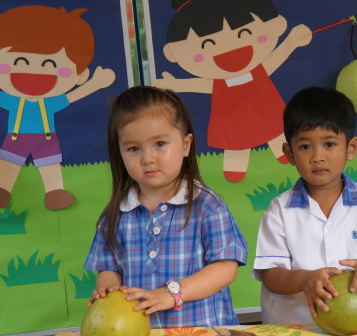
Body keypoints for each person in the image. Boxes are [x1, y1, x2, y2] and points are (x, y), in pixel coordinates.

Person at [84, 86, 247, 328]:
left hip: (204, 330)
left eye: (160, 143)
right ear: (119, 152)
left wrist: (171, 293)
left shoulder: (207, 205)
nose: (147, 158)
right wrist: (109, 290)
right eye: (133, 148)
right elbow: (108, 269)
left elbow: (225, 268)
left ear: (185, 145)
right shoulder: (115, 216)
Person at [252, 86, 357, 324]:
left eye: (329, 144)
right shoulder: (278, 210)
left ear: (351, 148)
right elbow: (270, 274)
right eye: (304, 146)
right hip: (297, 326)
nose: (317, 157)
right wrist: (304, 280)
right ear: (289, 153)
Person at [154, 0, 312, 182]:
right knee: (236, 140)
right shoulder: (219, 81)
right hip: (232, 116)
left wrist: (291, 42)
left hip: (264, 106)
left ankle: (282, 151)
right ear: (174, 53)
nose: (229, 52)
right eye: (207, 45)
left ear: (277, 25)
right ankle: (235, 168)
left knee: (275, 128)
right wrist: (175, 85)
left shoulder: (258, 70)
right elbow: (202, 85)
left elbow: (274, 60)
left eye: (245, 33)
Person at [0, 5, 116, 210]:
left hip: (45, 138)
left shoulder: (49, 102)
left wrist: (95, 84)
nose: (35, 73)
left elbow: (73, 96)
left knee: (49, 164)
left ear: (80, 75)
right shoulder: (15, 101)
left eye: (51, 65)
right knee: (9, 162)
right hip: (16, 137)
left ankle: (55, 192)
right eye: (19, 61)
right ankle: (1, 190)